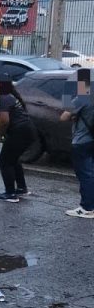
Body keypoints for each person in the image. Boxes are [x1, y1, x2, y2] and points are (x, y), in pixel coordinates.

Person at [0, 77, 37, 203]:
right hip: (27, 130)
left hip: (20, 132)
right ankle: (22, 188)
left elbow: (4, 120)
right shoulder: (10, 96)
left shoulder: (3, 98)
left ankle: (10, 193)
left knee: (5, 161)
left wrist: (0, 134)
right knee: (13, 159)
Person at [60, 69, 94, 218]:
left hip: (82, 141)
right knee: (91, 173)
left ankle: (86, 208)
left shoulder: (83, 97)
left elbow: (64, 116)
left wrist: (67, 99)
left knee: (85, 175)